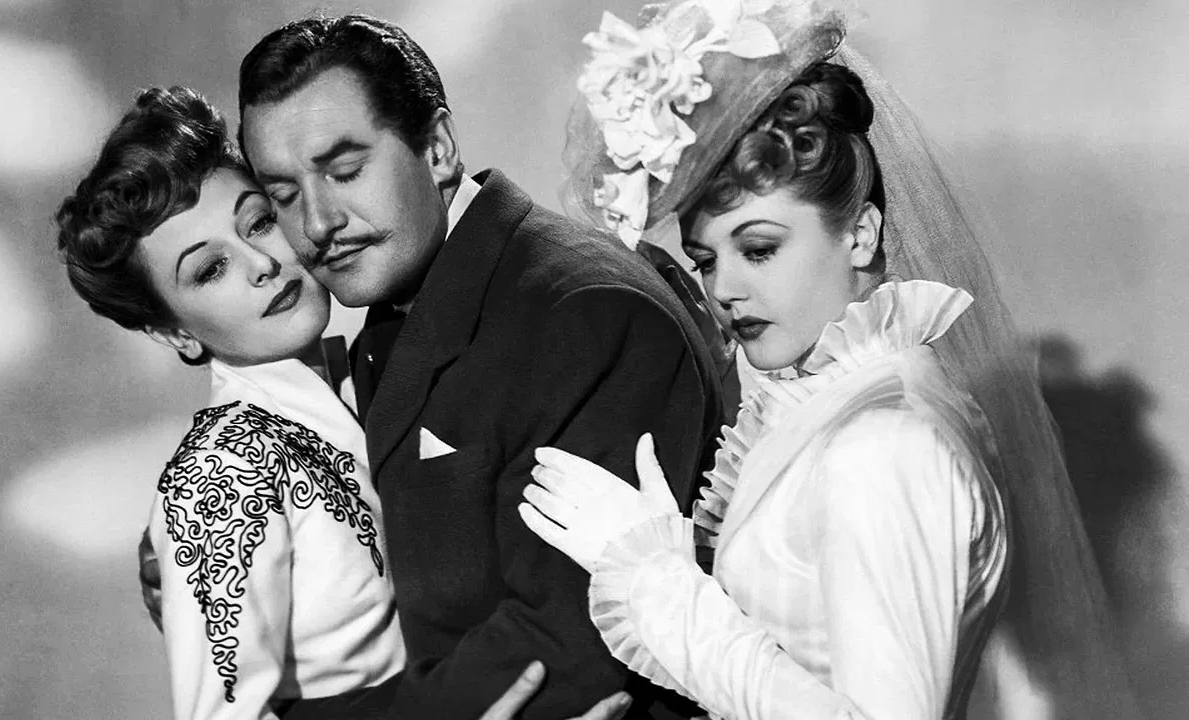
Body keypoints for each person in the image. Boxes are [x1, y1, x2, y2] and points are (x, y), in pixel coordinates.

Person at [521, 1, 1141, 718]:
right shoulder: (826, 409)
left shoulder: (885, 445)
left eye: (759, 249)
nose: (724, 289)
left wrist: (656, 581)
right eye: (704, 260)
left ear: (861, 234)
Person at [137, 13, 724, 720]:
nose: (318, 223)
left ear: (438, 148)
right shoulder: (396, 309)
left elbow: (569, 646)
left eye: (345, 171)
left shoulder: (581, 314)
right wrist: (209, 550)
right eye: (283, 196)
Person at [55, 87, 632, 720]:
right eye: (209, 270)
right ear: (174, 332)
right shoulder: (220, 473)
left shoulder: (376, 371)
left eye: (260, 222)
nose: (261, 264)